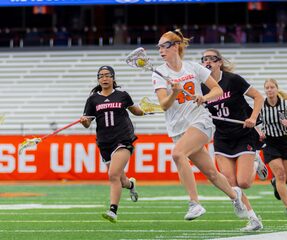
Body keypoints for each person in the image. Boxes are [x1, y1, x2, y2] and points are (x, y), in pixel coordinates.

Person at [152, 29, 245, 222]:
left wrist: (204, 97)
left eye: (164, 46)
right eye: (158, 47)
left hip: (200, 121)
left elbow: (217, 90)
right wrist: (174, 93)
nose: (160, 50)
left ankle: (195, 204)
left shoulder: (193, 67)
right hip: (178, 128)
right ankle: (235, 196)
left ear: (175, 47)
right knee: (211, 173)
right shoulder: (160, 74)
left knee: (178, 154)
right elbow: (163, 105)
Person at [200, 48, 265, 231]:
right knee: (231, 185)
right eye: (204, 59)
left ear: (219, 62)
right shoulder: (202, 87)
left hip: (243, 134)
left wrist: (253, 118)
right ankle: (253, 219)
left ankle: (255, 161)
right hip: (222, 137)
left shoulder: (233, 80)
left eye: (212, 59)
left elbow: (258, 97)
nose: (207, 62)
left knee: (244, 182)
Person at [80, 65, 144, 223]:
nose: (104, 78)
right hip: (104, 142)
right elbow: (88, 123)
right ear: (98, 79)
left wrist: (147, 109)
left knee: (113, 175)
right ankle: (131, 185)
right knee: (121, 181)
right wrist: (84, 121)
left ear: (113, 78)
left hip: (123, 139)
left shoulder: (122, 95)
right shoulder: (93, 99)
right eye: (101, 76)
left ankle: (113, 210)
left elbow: (136, 111)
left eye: (107, 75)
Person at [261, 78, 287, 217]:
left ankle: (274, 182)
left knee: (286, 178)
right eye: (267, 88)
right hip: (269, 142)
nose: (269, 90)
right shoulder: (260, 106)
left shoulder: (285, 104)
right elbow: (255, 122)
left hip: (284, 141)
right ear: (265, 90)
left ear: (277, 89)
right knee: (281, 174)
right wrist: (259, 132)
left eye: (272, 87)